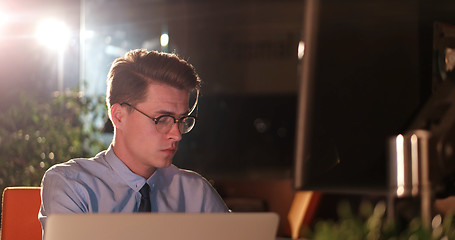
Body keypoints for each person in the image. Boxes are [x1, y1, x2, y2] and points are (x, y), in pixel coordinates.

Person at [38, 49, 229, 233]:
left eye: (182, 120)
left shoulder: (195, 192)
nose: (177, 135)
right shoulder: (73, 185)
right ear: (119, 116)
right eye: (162, 119)